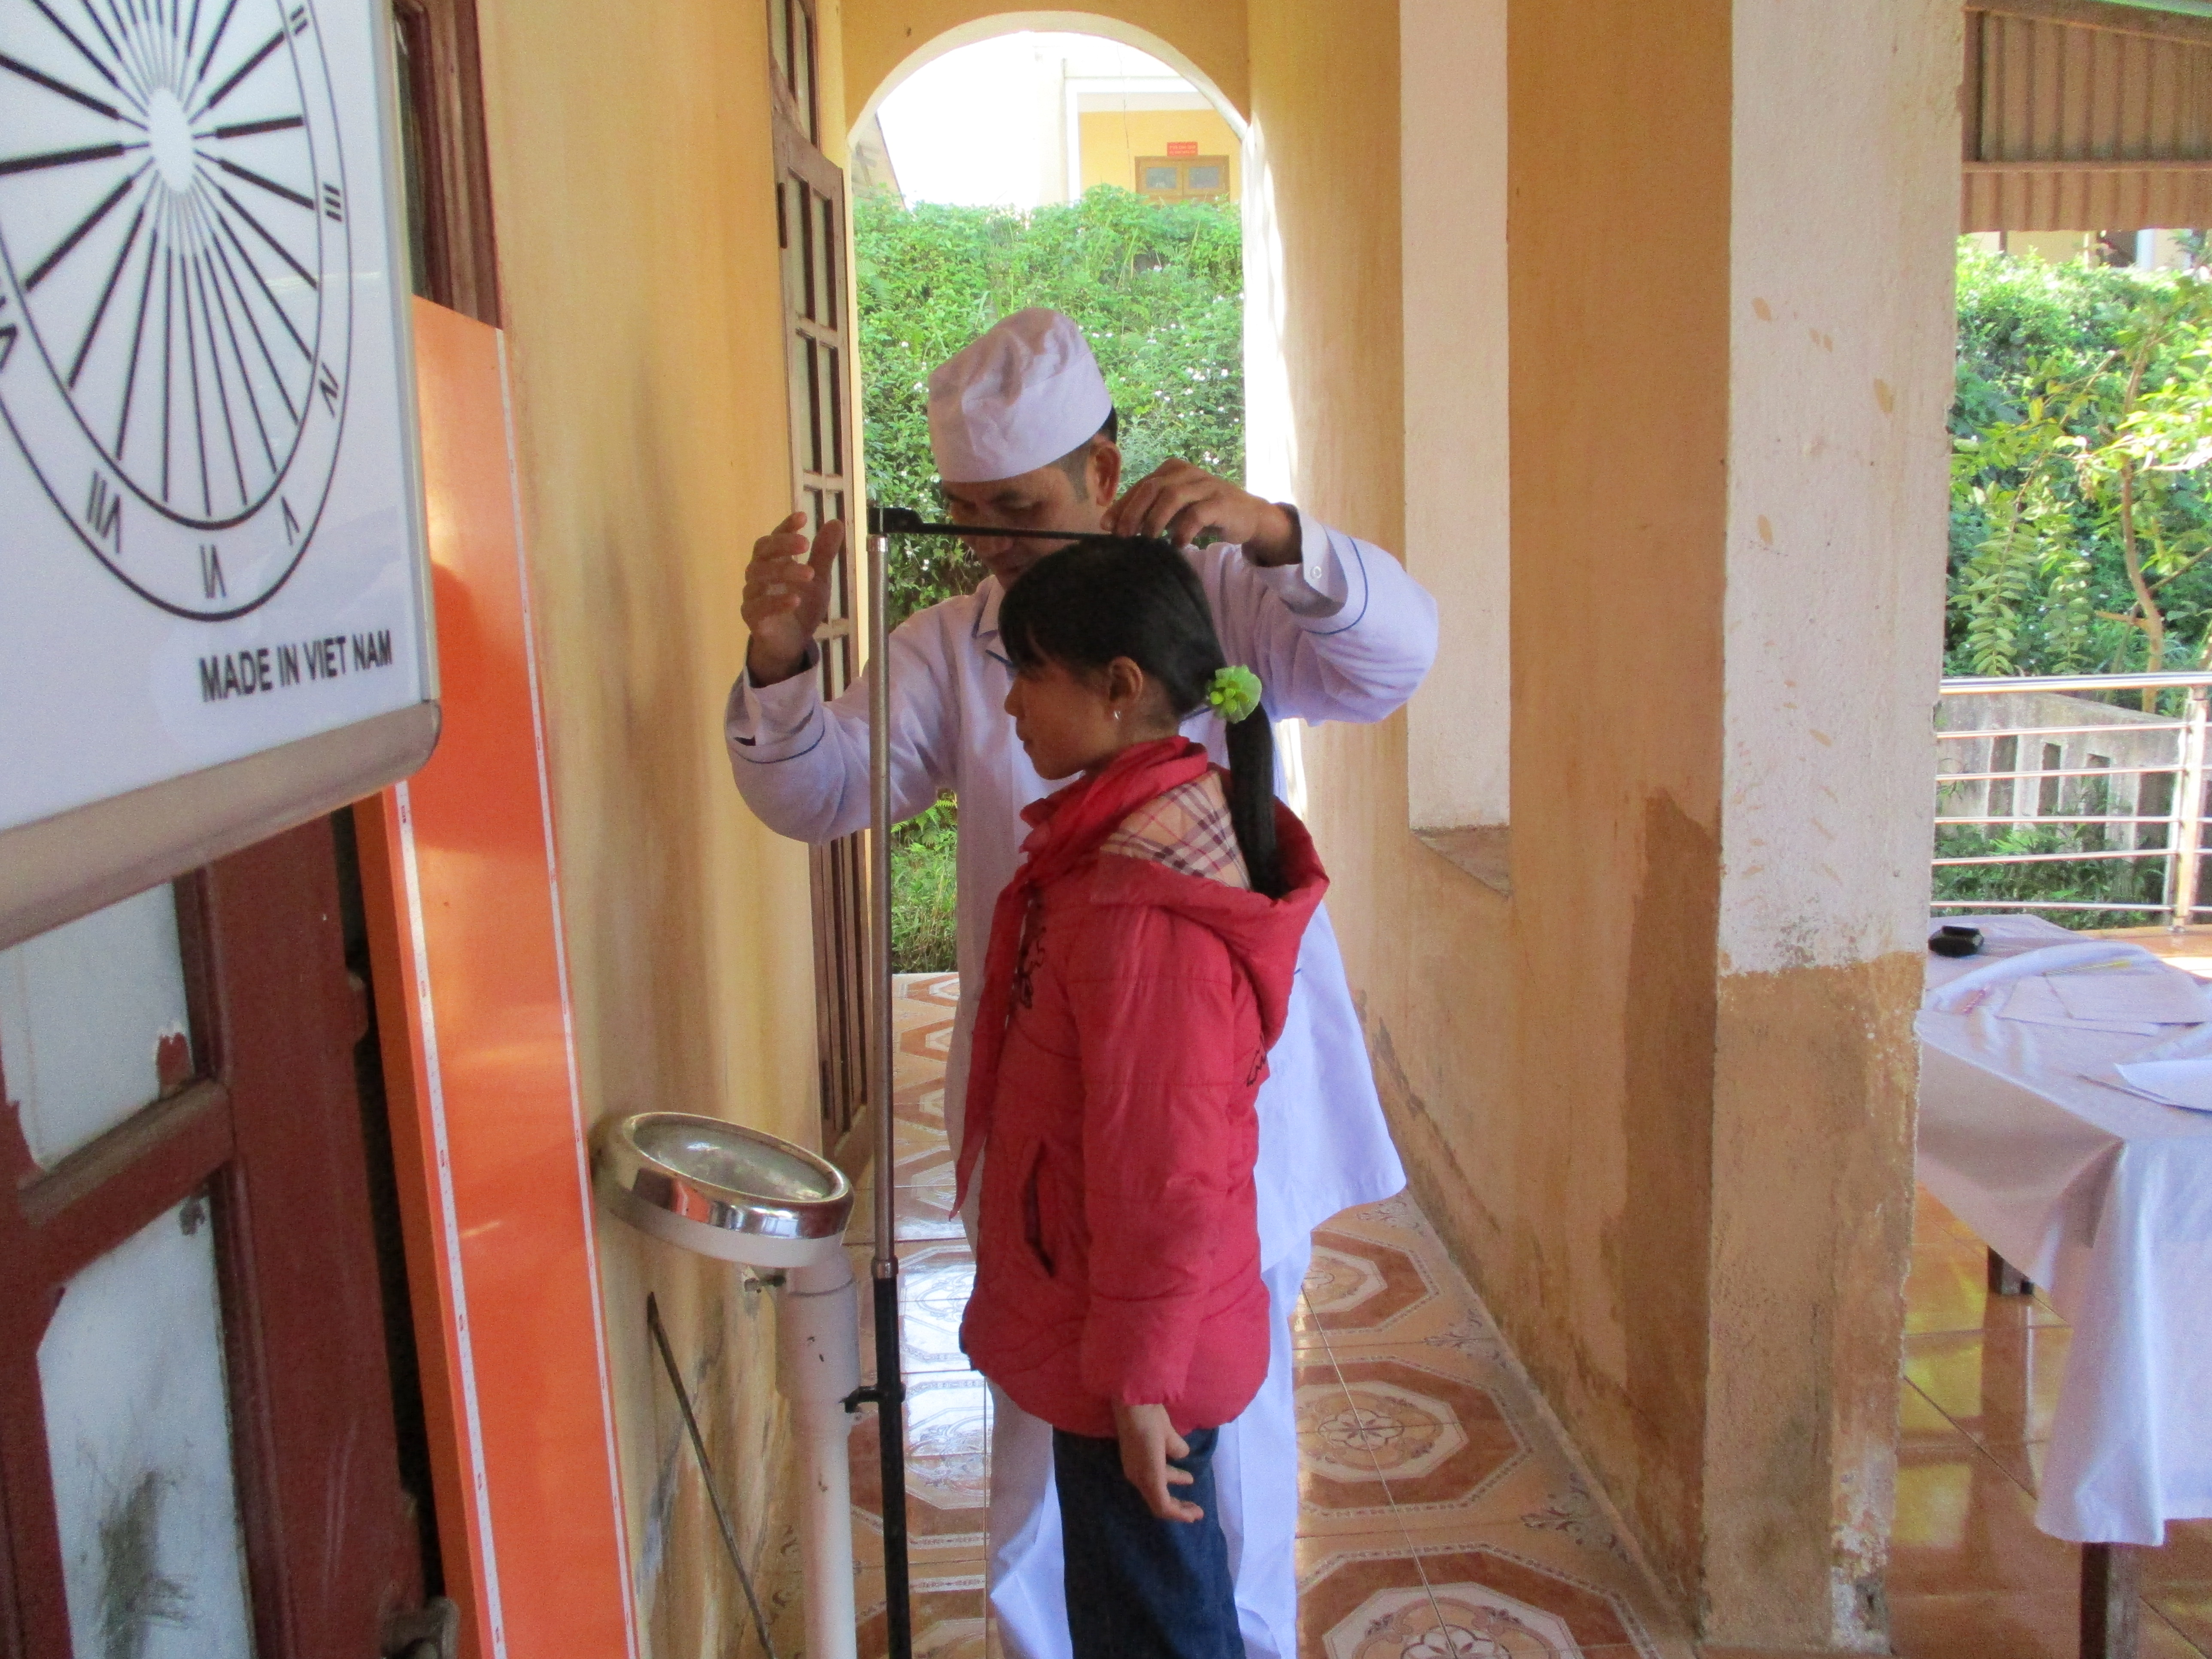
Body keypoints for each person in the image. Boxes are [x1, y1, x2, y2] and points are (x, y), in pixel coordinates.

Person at [725, 307, 1437, 1659]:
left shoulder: (1217, 599)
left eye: (1023, 506)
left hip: (1215, 1104)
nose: (994, 540)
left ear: (1104, 472)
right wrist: (779, 660)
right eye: (969, 511)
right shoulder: (955, 643)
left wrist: (1279, 532)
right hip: (1054, 1112)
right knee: (1045, 1449)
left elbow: (1394, 658)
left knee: (1221, 1443)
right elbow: (820, 792)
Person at [960, 540, 1327, 1659]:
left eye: (1030, 674)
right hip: (1117, 1321)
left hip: (1135, 1347)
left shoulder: (1142, 901)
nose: (1011, 705)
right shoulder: (1122, 845)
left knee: (1157, 1627)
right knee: (1142, 1611)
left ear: (1120, 686)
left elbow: (1165, 1168)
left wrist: (1138, 1385)